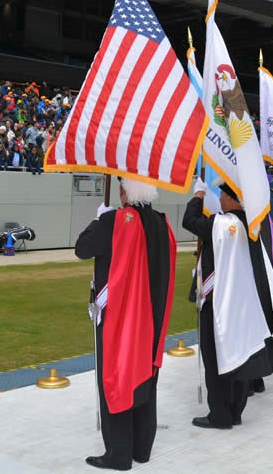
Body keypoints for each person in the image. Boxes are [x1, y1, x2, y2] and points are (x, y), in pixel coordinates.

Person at [74, 178, 177, 471]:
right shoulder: (161, 222)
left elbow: (82, 248)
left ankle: (118, 453)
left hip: (123, 315)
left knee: (117, 379)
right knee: (146, 376)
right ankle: (142, 448)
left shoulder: (114, 220)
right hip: (154, 315)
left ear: (123, 191)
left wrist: (99, 220)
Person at [182, 179, 273, 430]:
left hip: (218, 302)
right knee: (239, 354)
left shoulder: (222, 224)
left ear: (233, 199)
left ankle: (220, 415)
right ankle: (235, 411)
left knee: (215, 358)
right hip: (244, 302)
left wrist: (199, 195)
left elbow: (189, 221)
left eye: (224, 196)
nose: (221, 200)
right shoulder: (250, 223)